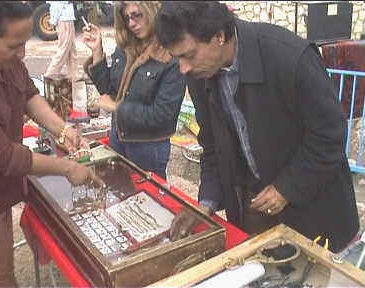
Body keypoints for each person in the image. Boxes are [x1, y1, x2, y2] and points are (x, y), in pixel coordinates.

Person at [155, 1, 359, 253]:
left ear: (219, 36)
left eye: (188, 55)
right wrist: (205, 203)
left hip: (319, 217)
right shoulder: (199, 74)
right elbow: (211, 144)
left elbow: (330, 136)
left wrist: (287, 187)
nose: (183, 68)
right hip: (254, 214)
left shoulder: (290, 56)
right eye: (177, 58)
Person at [0, 2, 104, 287]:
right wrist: (65, 167)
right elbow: (9, 158)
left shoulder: (8, 64)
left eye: (25, 43)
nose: (22, 53)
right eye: (14, 46)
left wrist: (63, 130)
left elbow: (29, 96)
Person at [82, 1, 185, 180]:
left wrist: (117, 108)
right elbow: (108, 90)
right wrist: (97, 50)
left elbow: (163, 115)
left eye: (137, 15)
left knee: (149, 201)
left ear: (152, 11)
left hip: (148, 147)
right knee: (117, 195)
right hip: (118, 137)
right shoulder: (126, 48)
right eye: (127, 18)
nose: (131, 24)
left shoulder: (170, 55)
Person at [44, 1, 78, 80]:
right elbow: (57, 6)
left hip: (66, 19)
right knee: (64, 48)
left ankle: (73, 74)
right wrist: (53, 21)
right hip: (65, 20)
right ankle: (52, 72)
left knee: (71, 49)